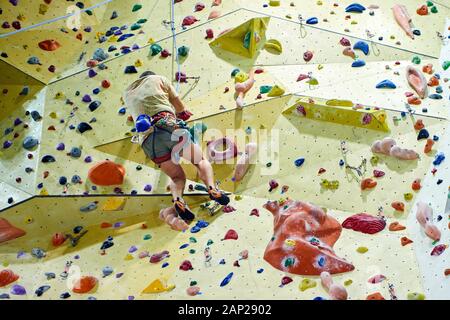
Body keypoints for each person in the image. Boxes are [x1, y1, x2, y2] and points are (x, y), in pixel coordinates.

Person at [123, 71, 229, 230]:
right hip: (168, 126)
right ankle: (212, 188)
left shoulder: (128, 93)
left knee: (177, 176)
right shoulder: (159, 79)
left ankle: (178, 198)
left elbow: (132, 117)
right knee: (200, 161)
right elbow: (179, 106)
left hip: (147, 140)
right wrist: (182, 112)